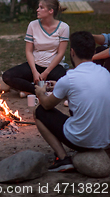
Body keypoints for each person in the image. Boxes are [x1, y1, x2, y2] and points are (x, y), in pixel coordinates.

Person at [34, 31, 110, 172]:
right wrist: (60, 86)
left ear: (72, 52)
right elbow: (85, 87)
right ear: (93, 51)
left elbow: (46, 104)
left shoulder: (69, 78)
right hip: (105, 140)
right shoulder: (105, 73)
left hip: (81, 141)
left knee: (39, 112)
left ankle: (63, 159)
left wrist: (40, 93)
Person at [2, 0, 69, 95]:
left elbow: (61, 53)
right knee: (7, 76)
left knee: (66, 83)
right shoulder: (32, 25)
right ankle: (37, 90)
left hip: (54, 67)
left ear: (51, 11)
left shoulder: (64, 27)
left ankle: (31, 89)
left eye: (41, 7)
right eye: (38, 7)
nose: (37, 10)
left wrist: (46, 72)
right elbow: (28, 51)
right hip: (36, 65)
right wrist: (34, 71)